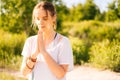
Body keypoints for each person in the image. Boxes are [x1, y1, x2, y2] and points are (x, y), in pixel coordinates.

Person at [20, 1, 73, 80]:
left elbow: (61, 74)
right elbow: (24, 72)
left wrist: (43, 52)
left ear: (54, 17)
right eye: (37, 19)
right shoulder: (30, 41)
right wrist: (34, 55)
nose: (40, 22)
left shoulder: (63, 42)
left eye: (45, 18)